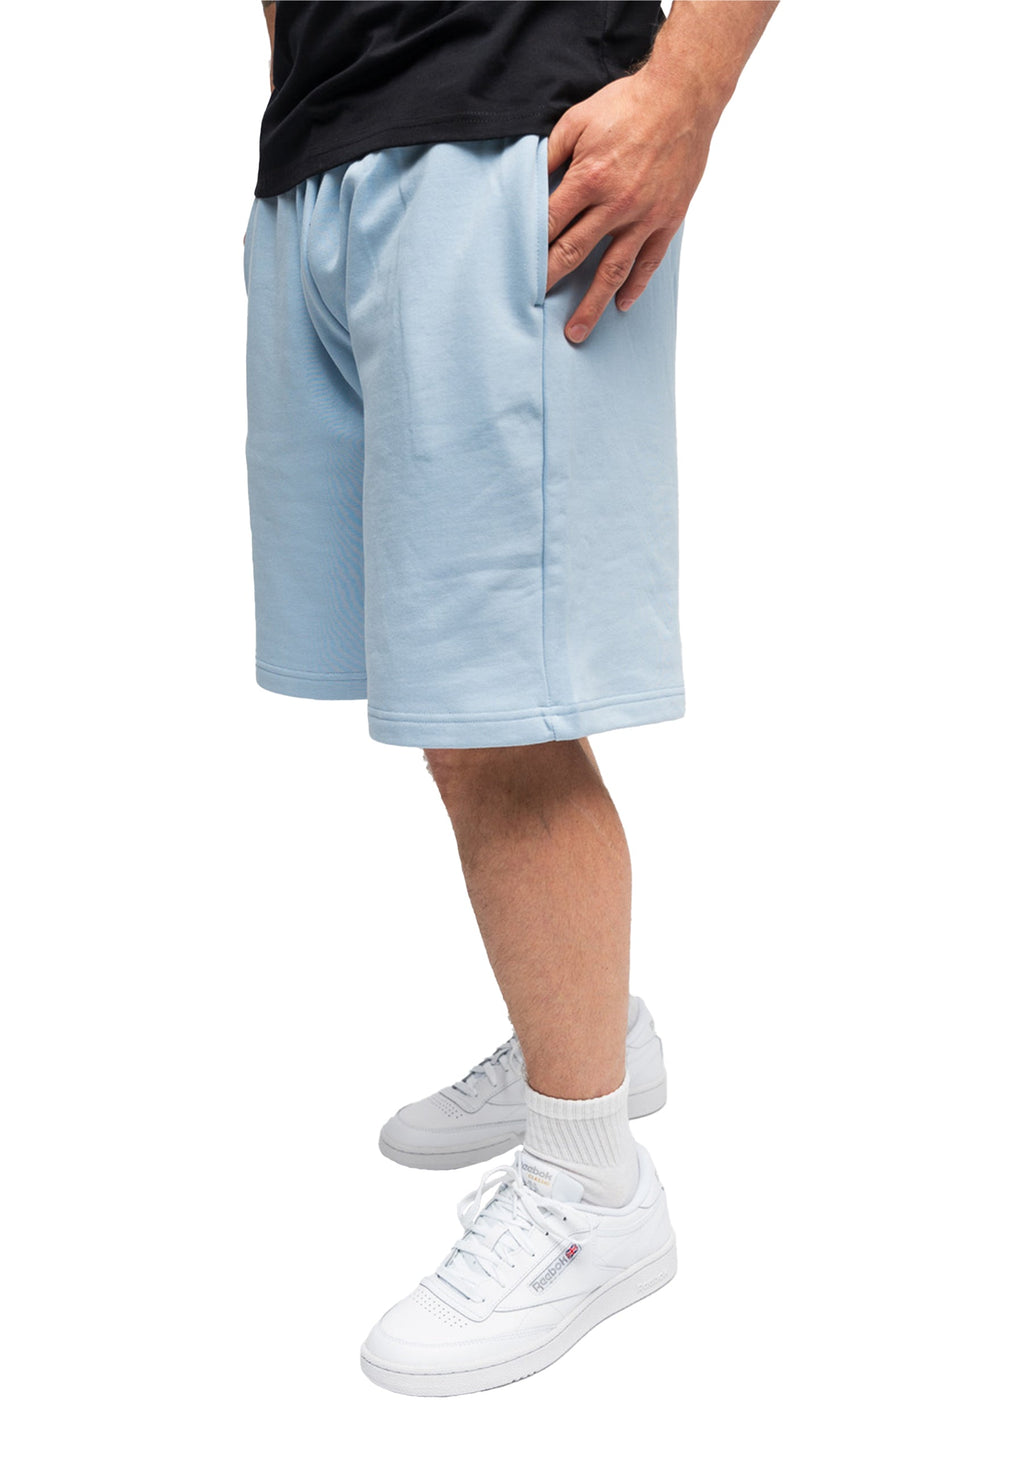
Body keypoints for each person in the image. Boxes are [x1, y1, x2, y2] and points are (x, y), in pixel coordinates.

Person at [244, 0, 776, 1397]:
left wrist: (688, 89)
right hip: (321, 160)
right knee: (451, 695)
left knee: (505, 718)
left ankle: (594, 1189)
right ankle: (594, 1032)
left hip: (509, 151)